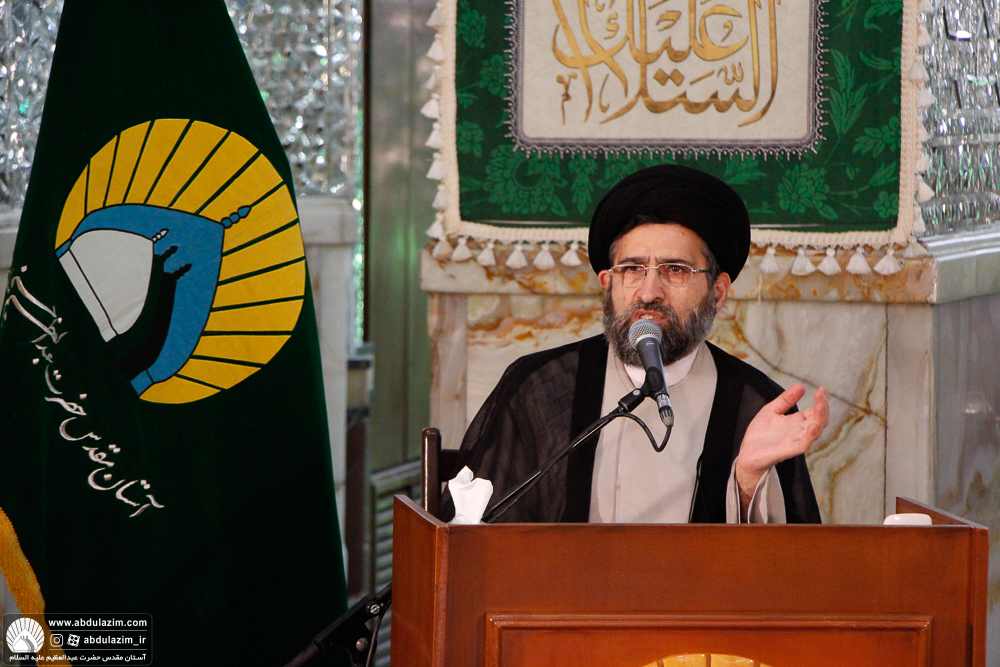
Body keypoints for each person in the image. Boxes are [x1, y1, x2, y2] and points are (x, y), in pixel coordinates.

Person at [442, 165, 826, 524]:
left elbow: (786, 564)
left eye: (675, 270)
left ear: (718, 292)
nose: (648, 291)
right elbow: (473, 531)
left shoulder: (757, 405)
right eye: (632, 269)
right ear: (608, 284)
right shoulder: (540, 387)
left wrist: (747, 480)